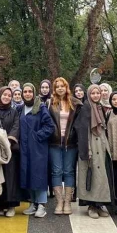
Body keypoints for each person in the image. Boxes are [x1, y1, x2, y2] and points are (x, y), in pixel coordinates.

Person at [72, 84, 115, 219]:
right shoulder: (86, 108)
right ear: (89, 94)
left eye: (98, 93)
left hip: (101, 146)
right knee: (91, 175)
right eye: (93, 93)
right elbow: (82, 129)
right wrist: (87, 149)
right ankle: (91, 205)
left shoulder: (99, 107)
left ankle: (99, 204)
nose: (96, 95)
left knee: (102, 176)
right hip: (90, 146)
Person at [18, 83, 56, 218]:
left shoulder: (41, 107)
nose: (27, 94)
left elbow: (49, 126)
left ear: (34, 93)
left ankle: (42, 204)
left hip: (38, 148)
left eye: (30, 91)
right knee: (28, 174)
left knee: (38, 174)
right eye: (25, 91)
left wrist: (37, 136)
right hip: (24, 148)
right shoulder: (21, 109)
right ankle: (33, 203)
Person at [48, 78, 82, 215]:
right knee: (56, 171)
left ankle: (67, 202)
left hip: (70, 142)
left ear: (67, 87)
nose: (60, 88)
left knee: (69, 171)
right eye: (57, 87)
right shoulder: (50, 103)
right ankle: (59, 202)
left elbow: (79, 121)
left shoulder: (74, 103)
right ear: (54, 89)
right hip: (55, 141)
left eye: (62, 86)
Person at [0, 87, 21, 216]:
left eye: (9, 95)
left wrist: (7, 143)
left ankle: (11, 205)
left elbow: (16, 127)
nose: (7, 97)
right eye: (4, 94)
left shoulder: (14, 112)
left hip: (10, 149)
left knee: (10, 176)